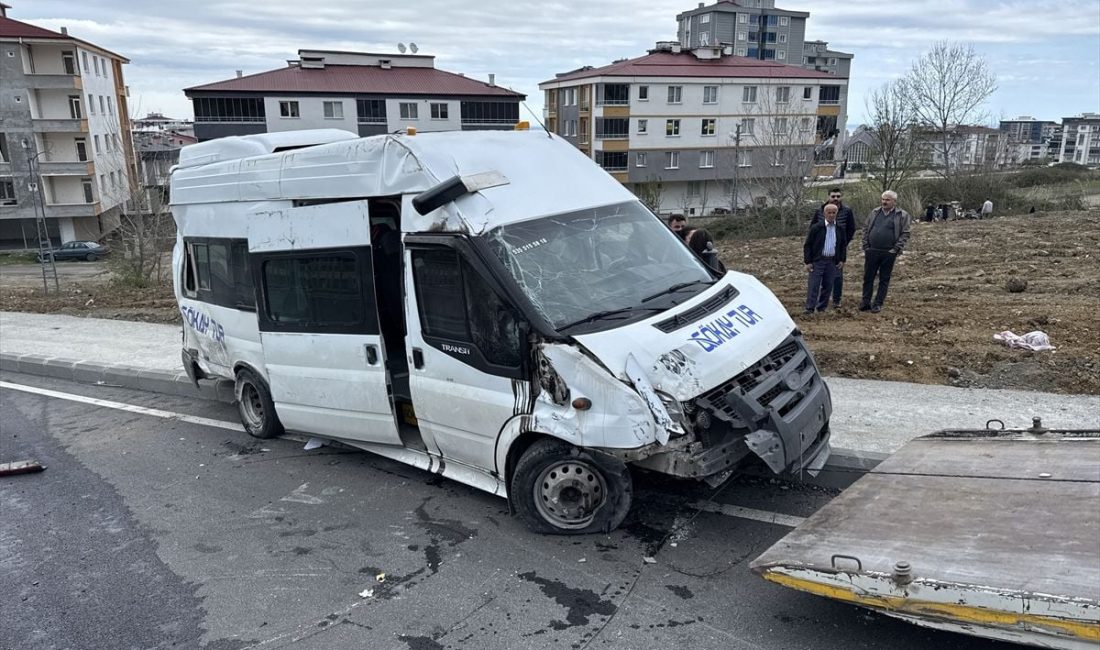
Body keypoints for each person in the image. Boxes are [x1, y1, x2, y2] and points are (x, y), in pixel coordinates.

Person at [860, 190, 911, 313]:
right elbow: (865, 228)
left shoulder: (902, 215)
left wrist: (895, 249)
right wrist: (866, 245)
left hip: (889, 252)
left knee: (884, 279)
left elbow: (905, 233)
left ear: (894, 201)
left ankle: (877, 303)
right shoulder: (875, 212)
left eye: (887, 200)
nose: (884, 202)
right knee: (868, 278)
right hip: (872, 250)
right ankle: (865, 302)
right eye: (883, 199)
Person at [810, 187, 856, 307]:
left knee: (837, 276)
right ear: (828, 197)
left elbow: (851, 229)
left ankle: (836, 300)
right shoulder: (820, 211)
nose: (836, 199)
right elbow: (812, 229)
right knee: (816, 278)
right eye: (833, 196)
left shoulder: (847, 211)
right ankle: (814, 303)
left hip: (837, 250)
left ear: (841, 197)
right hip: (820, 250)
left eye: (838, 196)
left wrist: (843, 243)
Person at [803, 203, 848, 314]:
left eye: (834, 213)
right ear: (824, 213)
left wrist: (842, 260)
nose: (831, 215)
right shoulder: (816, 228)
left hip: (832, 261)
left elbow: (843, 245)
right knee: (814, 285)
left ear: (837, 213)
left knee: (828, 286)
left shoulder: (840, 228)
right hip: (818, 261)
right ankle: (810, 308)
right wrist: (808, 261)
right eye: (829, 212)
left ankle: (822, 308)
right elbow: (808, 245)